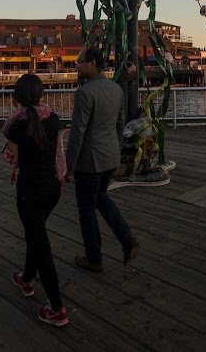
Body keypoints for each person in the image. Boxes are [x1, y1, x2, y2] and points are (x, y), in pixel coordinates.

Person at [65, 46, 139, 272]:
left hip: (90, 161)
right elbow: (120, 124)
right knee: (100, 198)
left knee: (86, 208)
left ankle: (94, 258)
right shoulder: (115, 89)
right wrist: (116, 151)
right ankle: (127, 238)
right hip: (109, 158)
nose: (76, 65)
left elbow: (78, 133)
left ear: (92, 63)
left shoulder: (85, 93)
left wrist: (69, 167)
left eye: (79, 61)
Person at [3, 74, 68, 327]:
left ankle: (57, 308)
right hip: (51, 188)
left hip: (30, 190)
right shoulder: (53, 118)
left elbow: (15, 159)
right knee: (36, 233)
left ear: (17, 97)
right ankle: (27, 278)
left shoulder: (15, 127)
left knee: (41, 244)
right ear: (41, 94)